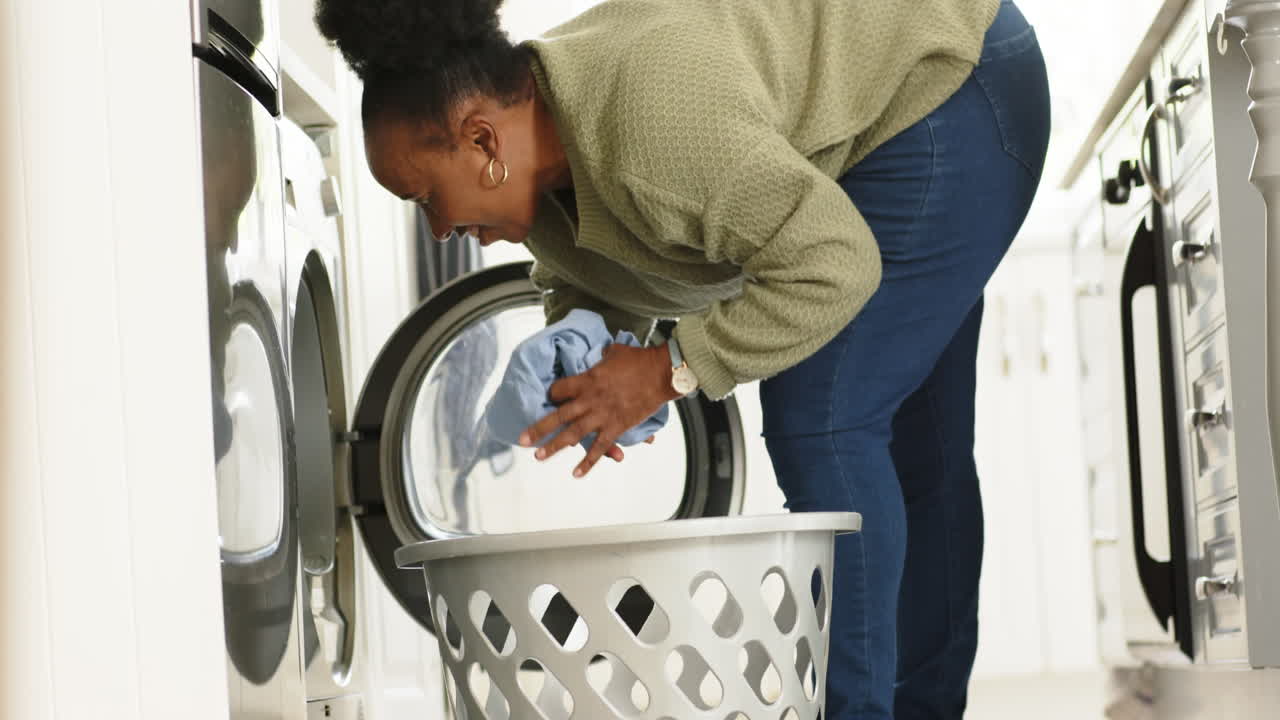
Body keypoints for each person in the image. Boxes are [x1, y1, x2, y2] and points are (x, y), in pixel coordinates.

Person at [317, 0, 1050, 716]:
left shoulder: (650, 122)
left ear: (482, 144)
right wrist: (580, 342)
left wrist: (670, 369)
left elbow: (831, 264)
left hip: (954, 81)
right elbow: (602, 268)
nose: (440, 229)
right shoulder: (543, 176)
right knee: (915, 442)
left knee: (821, 418)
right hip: (892, 103)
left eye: (423, 199)